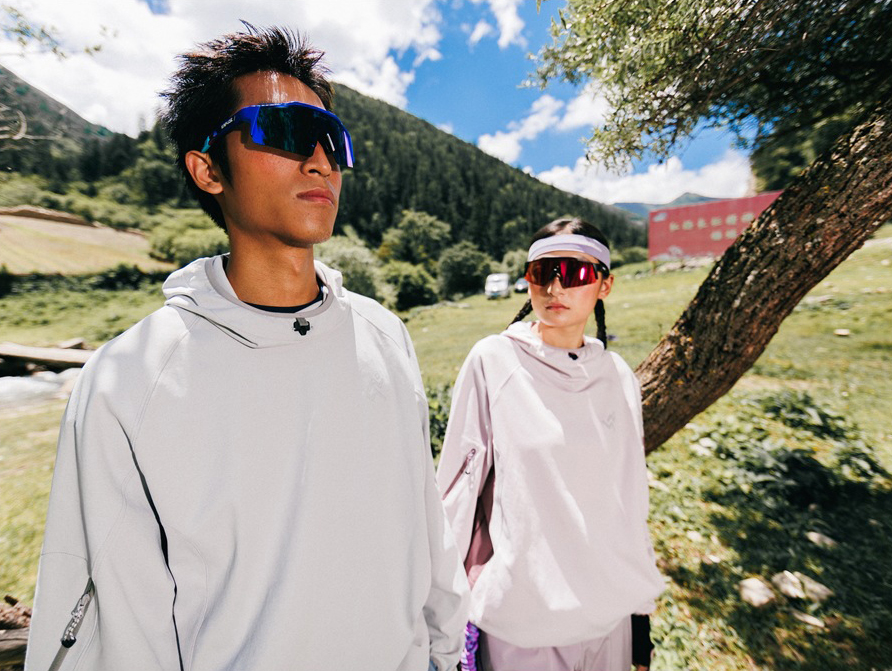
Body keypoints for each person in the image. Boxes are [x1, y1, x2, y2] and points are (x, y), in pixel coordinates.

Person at [25, 25, 468, 671]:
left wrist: (447, 656)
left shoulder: (384, 334)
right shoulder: (128, 380)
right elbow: (116, 619)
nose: (320, 162)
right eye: (284, 131)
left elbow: (425, 526)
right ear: (207, 169)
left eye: (332, 139)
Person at [436, 217, 665, 671]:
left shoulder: (617, 375)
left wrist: (640, 627)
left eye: (575, 272)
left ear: (604, 285)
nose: (555, 286)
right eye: (542, 272)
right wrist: (440, 618)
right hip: (524, 622)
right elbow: (457, 494)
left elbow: (631, 500)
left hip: (610, 618)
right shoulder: (494, 360)